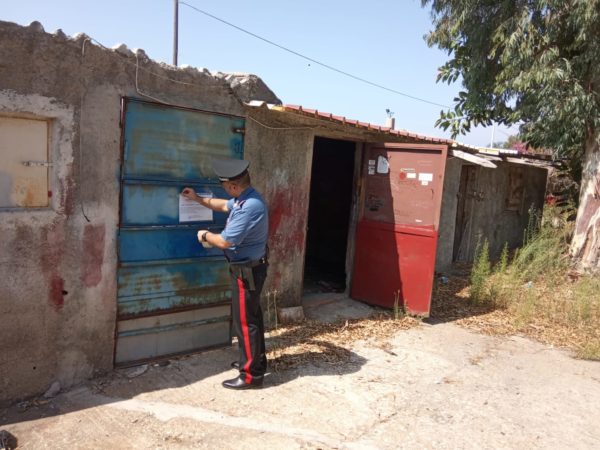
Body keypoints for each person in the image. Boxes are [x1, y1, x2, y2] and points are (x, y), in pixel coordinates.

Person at [181, 157, 269, 390]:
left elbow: (225, 241)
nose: (224, 190)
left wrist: (204, 235)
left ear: (232, 186)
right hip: (251, 266)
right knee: (253, 318)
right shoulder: (246, 198)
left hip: (246, 271)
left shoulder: (248, 208)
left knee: (245, 322)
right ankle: (256, 362)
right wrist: (198, 199)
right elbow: (222, 205)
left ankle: (251, 376)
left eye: (225, 186)